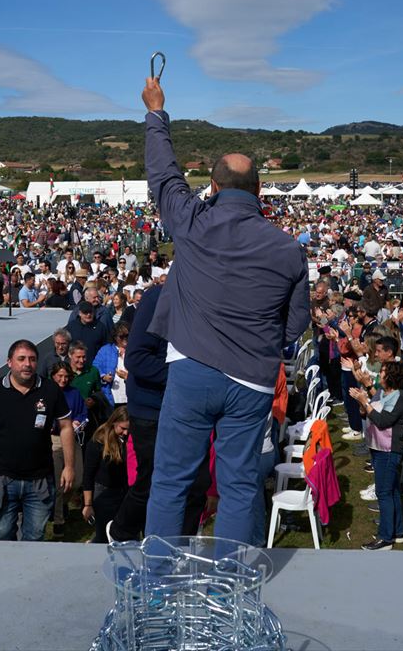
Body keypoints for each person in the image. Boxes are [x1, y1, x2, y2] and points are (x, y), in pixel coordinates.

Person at [140, 76, 310, 546]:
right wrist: (260, 346)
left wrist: (157, 111)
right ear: (259, 191)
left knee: (172, 481)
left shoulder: (192, 219)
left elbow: (163, 175)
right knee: (239, 486)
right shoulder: (288, 249)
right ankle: (230, 587)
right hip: (251, 380)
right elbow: (297, 323)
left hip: (191, 370)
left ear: (212, 187)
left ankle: (157, 583)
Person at [0, 339, 75, 542]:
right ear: (9, 362)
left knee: (35, 537)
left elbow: (66, 427)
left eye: (32, 359)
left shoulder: (50, 391)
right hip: (1, 479)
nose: (27, 364)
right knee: (3, 533)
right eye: (21, 359)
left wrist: (69, 466)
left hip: (40, 479)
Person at [349, 360, 403, 550]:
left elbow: (383, 421)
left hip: (388, 450)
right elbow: (368, 413)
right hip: (378, 447)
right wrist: (363, 403)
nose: (379, 375)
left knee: (383, 493)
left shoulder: (400, 398)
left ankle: (385, 538)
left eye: (382, 372)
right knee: (391, 491)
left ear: (391, 376)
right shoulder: (384, 393)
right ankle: (397, 531)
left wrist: (364, 402)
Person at [47, 361, 86, 536]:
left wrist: (78, 422)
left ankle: (62, 503)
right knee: (57, 481)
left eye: (66, 376)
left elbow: (82, 413)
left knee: (76, 479)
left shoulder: (74, 393)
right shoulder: (47, 393)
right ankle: (58, 520)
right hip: (54, 440)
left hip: (73, 438)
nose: (63, 380)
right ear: (53, 376)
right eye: (59, 376)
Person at [82, 406, 131, 543]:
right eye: (122, 428)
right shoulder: (97, 442)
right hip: (104, 492)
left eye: (128, 429)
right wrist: (88, 504)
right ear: (114, 422)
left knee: (125, 534)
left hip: (124, 491)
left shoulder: (129, 441)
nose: (126, 433)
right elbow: (88, 475)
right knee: (104, 535)